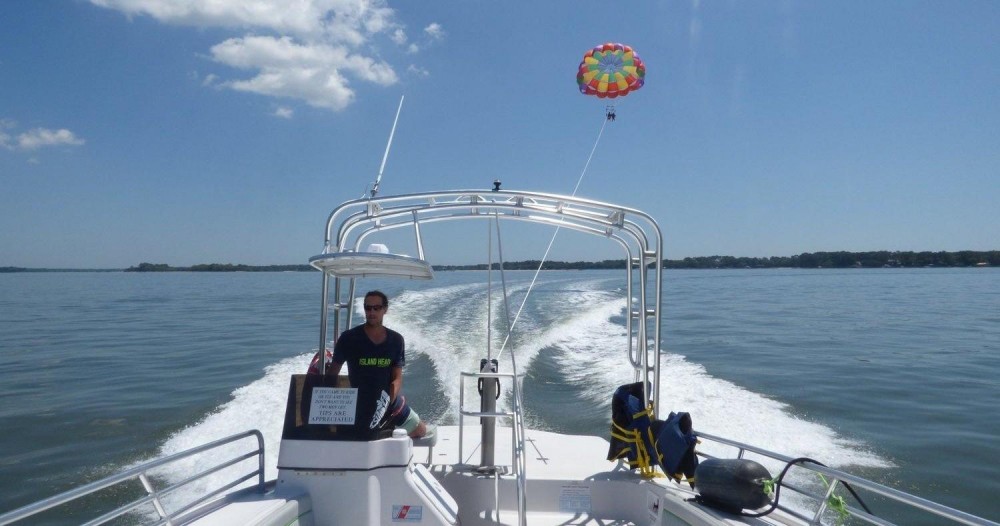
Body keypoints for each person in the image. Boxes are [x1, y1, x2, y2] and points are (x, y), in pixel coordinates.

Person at [310, 290, 431, 438]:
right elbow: (332, 376)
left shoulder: (396, 340)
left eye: (377, 308)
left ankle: (395, 426)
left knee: (421, 431)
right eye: (368, 308)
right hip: (358, 403)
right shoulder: (349, 338)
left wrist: (388, 402)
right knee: (362, 439)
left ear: (385, 309)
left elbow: (397, 378)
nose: (371, 312)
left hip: (388, 401)